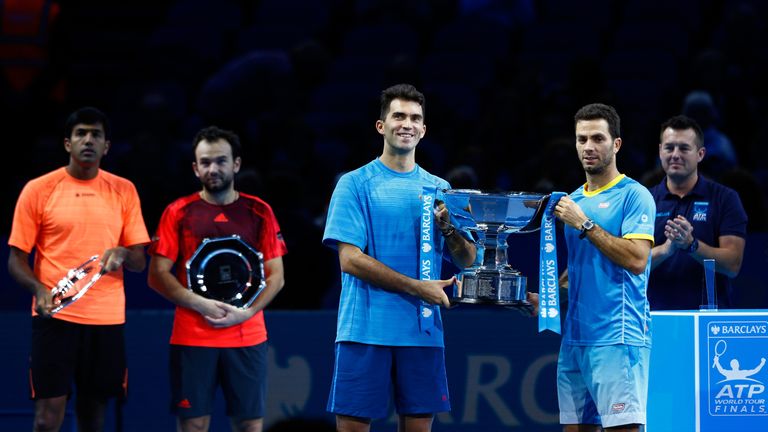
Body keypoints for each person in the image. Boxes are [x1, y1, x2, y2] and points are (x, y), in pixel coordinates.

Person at [322, 83, 476, 432]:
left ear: (423, 130)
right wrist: (417, 287)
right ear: (382, 126)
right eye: (398, 116)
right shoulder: (354, 183)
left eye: (415, 118)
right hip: (364, 330)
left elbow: (468, 261)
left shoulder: (441, 188)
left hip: (421, 332)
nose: (406, 123)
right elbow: (350, 260)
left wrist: (450, 229)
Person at [7, 106, 150, 432]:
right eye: (81, 134)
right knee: (46, 420)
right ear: (67, 144)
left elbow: (140, 261)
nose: (88, 140)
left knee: (93, 419)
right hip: (55, 318)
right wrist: (39, 289)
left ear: (106, 146)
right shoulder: (38, 189)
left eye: (96, 135)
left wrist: (124, 252)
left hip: (106, 321)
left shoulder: (124, 190)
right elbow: (16, 259)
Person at [147, 126, 286, 432]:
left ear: (236, 164)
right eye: (206, 162)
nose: (214, 169)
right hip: (192, 336)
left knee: (250, 425)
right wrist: (200, 304)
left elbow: (277, 277)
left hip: (247, 334)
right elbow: (157, 276)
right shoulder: (178, 212)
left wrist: (247, 312)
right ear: (195, 168)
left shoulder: (259, 211)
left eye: (221, 161)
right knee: (194, 425)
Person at [548, 103, 655, 431]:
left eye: (597, 138)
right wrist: (547, 300)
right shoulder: (573, 199)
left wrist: (585, 224)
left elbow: (637, 260)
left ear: (616, 144)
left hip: (617, 336)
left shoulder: (634, 196)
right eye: (582, 140)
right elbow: (577, 269)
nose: (588, 147)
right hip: (575, 339)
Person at [648, 115, 747, 310]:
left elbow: (733, 264)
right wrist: (665, 250)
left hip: (708, 320)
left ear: (700, 154)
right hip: (653, 317)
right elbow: (630, 262)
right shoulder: (644, 200)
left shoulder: (725, 198)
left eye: (684, 148)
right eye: (669, 148)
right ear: (660, 152)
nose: (675, 154)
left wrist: (691, 245)